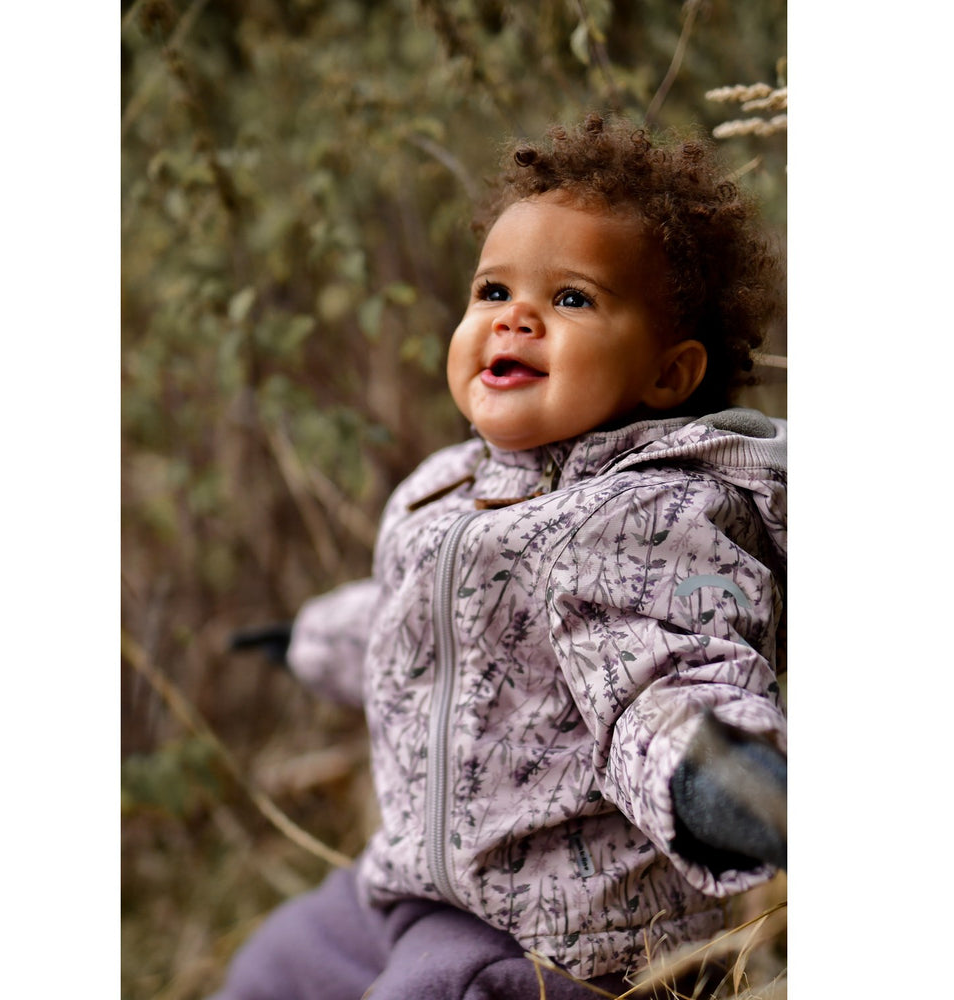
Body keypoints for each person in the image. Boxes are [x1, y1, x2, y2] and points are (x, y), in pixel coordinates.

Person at [213, 113, 787, 1000]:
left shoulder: (646, 519)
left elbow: (663, 678)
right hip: (418, 889)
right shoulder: (451, 486)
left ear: (668, 375)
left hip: (555, 936)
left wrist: (725, 782)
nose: (515, 316)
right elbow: (416, 625)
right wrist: (314, 640)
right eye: (492, 290)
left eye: (572, 299)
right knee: (275, 965)